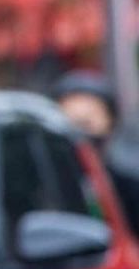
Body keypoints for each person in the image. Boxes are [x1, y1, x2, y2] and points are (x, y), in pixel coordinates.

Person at [51, 69, 139, 228]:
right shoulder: (48, 179)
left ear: (110, 121)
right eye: (71, 123)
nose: (81, 133)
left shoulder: (128, 180)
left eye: (87, 123)